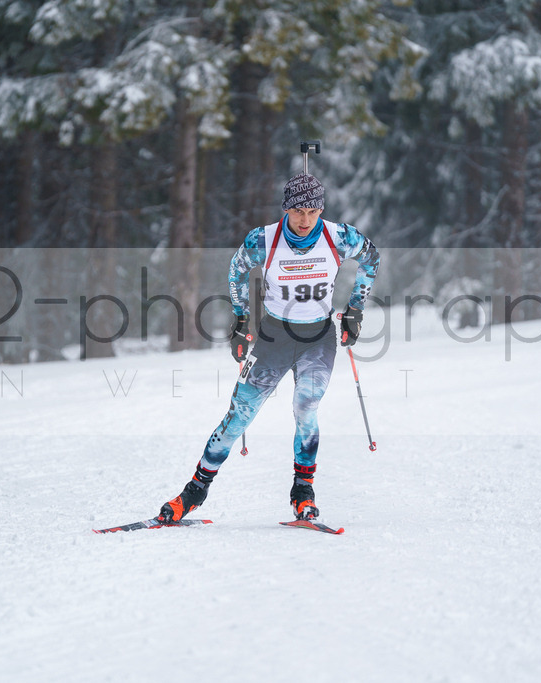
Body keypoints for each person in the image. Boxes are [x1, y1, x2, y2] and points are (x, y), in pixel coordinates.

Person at [157, 173, 380, 522]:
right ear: (286, 209)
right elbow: (237, 269)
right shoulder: (264, 239)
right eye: (297, 211)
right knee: (239, 416)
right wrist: (241, 318)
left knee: (306, 407)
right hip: (274, 336)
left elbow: (371, 259)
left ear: (321, 209)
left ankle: (303, 493)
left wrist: (355, 309)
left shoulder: (339, 236)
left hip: (317, 339)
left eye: (312, 211)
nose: (305, 220)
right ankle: (193, 493)